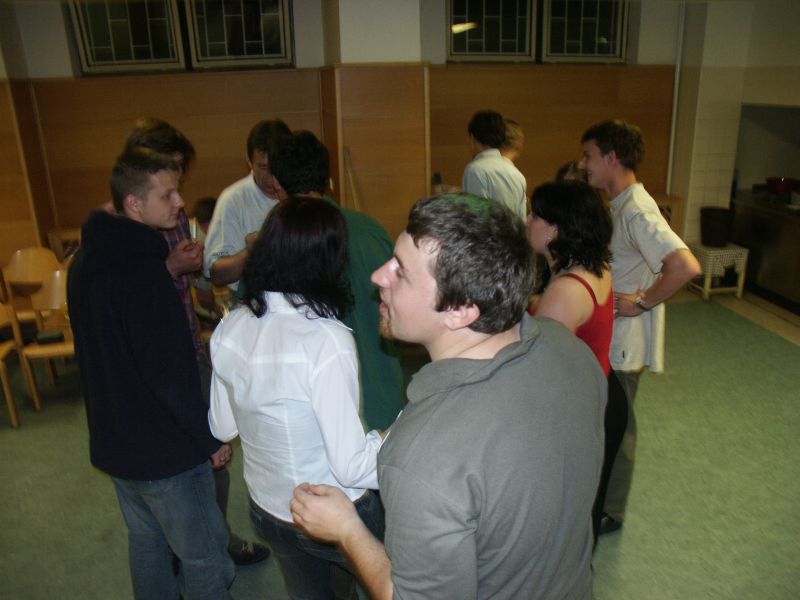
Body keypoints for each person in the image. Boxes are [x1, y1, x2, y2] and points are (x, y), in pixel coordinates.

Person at [290, 193, 606, 600]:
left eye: (401, 272)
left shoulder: (421, 460)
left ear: (460, 310)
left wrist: (347, 529)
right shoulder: (571, 350)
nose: (378, 276)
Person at [68, 147, 235, 600]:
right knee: (205, 556)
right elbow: (168, 376)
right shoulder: (144, 274)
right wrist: (208, 439)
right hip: (163, 452)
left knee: (147, 541)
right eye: (167, 195)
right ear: (133, 204)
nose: (180, 202)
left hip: (116, 442)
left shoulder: (84, 262)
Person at [208, 198, 385, 599]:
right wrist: (396, 438)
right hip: (334, 510)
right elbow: (352, 467)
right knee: (401, 584)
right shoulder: (326, 339)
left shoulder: (232, 326)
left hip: (270, 510)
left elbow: (221, 426)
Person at [123, 119, 269, 565]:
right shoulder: (122, 228)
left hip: (188, 346)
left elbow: (196, 281)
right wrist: (169, 269)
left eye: (179, 177)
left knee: (215, 457)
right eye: (168, 179)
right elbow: (130, 302)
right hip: (154, 363)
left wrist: (190, 268)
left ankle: (215, 537)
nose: (178, 194)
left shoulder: (173, 218)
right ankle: (191, 549)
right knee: (174, 468)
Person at [580, 119, 701, 534]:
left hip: (625, 343)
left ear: (612, 157)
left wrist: (643, 302)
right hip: (611, 337)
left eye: (589, 156)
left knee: (620, 425)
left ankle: (611, 510)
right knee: (607, 421)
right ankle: (600, 500)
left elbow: (684, 266)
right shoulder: (619, 205)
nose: (584, 164)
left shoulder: (637, 209)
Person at [268, 130, 406, 430]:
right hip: (385, 400)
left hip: (323, 415)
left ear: (276, 184)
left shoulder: (276, 243)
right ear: (327, 178)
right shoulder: (371, 230)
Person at [526, 180, 628, 543]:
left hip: (580, 410)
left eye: (534, 215)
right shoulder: (594, 266)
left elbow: (538, 370)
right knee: (587, 511)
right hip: (605, 393)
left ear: (555, 229)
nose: (526, 221)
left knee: (568, 523)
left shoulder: (566, 290)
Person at [203, 119, 291, 290]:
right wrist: (252, 252)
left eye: (277, 166)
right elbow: (216, 274)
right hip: (250, 300)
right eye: (263, 168)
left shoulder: (299, 193)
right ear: (249, 162)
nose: (271, 177)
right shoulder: (233, 199)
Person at [462, 110, 527, 219]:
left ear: (472, 138)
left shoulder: (476, 169)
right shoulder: (517, 174)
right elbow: (521, 220)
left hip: (489, 230)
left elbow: (477, 217)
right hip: (511, 230)